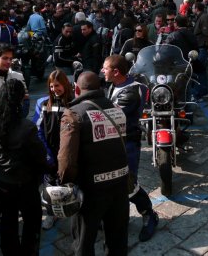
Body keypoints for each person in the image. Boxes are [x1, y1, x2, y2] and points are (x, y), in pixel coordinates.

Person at [58, 71, 129, 255]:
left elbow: (66, 159)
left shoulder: (73, 115)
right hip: (120, 183)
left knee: (83, 242)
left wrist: (66, 183)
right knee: (118, 240)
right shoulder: (117, 108)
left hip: (91, 189)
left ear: (77, 89)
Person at [0, 79, 47, 255]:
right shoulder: (26, 127)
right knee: (32, 222)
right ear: (20, 99)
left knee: (8, 222)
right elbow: (39, 156)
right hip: (23, 183)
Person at [102, 55, 158, 242]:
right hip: (114, 142)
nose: (103, 71)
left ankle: (148, 213)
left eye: (105, 68)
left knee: (128, 183)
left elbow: (108, 115)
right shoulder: (116, 85)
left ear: (116, 72)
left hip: (128, 144)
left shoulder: (131, 92)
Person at [32, 70, 74, 229]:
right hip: (50, 153)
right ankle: (51, 214)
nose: (54, 89)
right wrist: (47, 153)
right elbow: (38, 130)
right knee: (50, 186)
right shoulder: (43, 104)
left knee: (71, 183)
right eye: (51, 86)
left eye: (57, 85)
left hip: (68, 153)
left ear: (65, 84)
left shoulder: (73, 102)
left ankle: (74, 209)